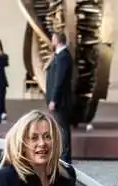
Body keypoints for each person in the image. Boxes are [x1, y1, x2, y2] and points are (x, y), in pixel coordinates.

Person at [45, 32, 72, 163]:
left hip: (60, 101)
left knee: (62, 129)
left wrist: (54, 99)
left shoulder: (63, 57)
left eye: (53, 38)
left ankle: (65, 157)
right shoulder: (58, 56)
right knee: (60, 128)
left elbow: (59, 81)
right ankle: (62, 155)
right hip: (58, 100)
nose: (51, 40)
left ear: (57, 39)